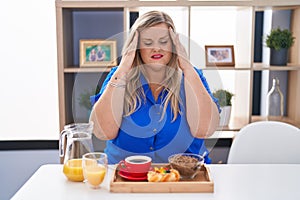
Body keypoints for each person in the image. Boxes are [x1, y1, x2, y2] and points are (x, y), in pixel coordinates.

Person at [89, 11, 220, 164]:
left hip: (185, 176)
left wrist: (187, 68)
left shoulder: (191, 76)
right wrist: (123, 67)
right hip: (124, 175)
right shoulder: (118, 75)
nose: (156, 48)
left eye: (164, 41)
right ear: (136, 46)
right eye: (148, 42)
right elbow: (103, 132)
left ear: (174, 45)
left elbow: (205, 129)